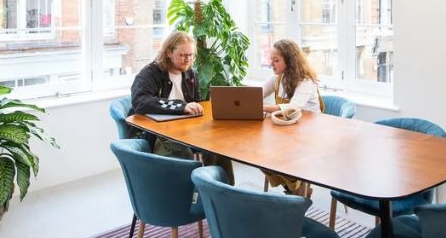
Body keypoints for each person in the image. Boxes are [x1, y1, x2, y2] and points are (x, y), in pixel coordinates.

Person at [130, 31, 235, 183]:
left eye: (191, 55)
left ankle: (221, 189)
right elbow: (140, 101)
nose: (188, 60)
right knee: (181, 150)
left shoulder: (191, 75)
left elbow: (197, 103)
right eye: (183, 55)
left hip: (188, 130)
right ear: (168, 53)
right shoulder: (150, 73)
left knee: (218, 144)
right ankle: (186, 191)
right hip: (160, 133)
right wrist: (181, 106)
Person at [261, 39, 325, 194]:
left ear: (289, 60)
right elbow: (257, 93)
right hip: (287, 131)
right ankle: (293, 189)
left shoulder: (305, 80)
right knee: (260, 156)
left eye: (276, 60)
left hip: (308, 135)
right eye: (271, 59)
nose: (272, 64)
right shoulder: (277, 78)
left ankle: (297, 190)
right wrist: (243, 101)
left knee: (278, 155)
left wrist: (259, 107)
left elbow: (292, 108)